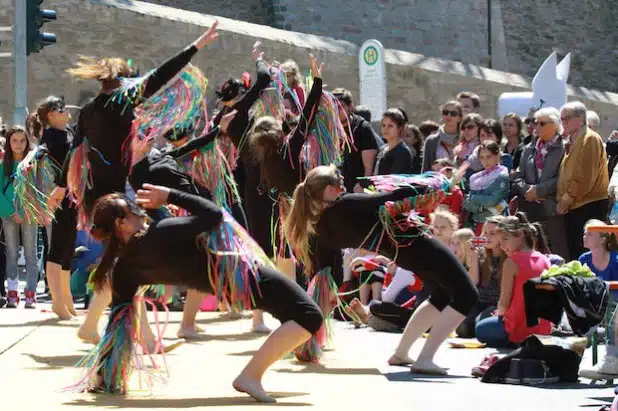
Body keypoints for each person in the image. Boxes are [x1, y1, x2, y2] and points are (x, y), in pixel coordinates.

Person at [45, 23, 221, 327]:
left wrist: (61, 187)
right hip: (120, 199)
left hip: (99, 200)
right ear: (125, 81)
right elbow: (161, 75)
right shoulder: (124, 100)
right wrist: (195, 46)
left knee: (123, 261)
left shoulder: (88, 110)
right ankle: (112, 329)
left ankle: (103, 328)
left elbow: (76, 150)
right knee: (130, 261)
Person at [81, 184, 323, 403]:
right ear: (121, 224)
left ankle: (293, 355)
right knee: (309, 315)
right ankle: (250, 376)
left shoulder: (124, 267)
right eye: (134, 212)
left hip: (231, 289)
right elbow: (214, 215)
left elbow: (117, 324)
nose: (141, 214)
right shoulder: (161, 233)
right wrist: (170, 195)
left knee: (293, 315)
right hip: (249, 277)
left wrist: (105, 374)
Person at [284, 165, 478, 374]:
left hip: (403, 254)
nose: (343, 186)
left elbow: (326, 266)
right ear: (329, 190)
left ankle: (402, 353)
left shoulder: (322, 225)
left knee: (440, 296)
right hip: (417, 246)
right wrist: (438, 185)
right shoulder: (345, 205)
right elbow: (391, 196)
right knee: (466, 295)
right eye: (339, 183)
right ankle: (425, 358)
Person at [557, 101, 609, 260]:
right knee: (575, 253)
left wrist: (566, 199)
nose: (563, 122)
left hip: (587, 205)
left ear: (580, 118)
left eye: (567, 118)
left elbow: (584, 176)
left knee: (585, 254)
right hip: (575, 205)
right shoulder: (575, 140)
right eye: (561, 119)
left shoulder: (590, 139)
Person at [0, 126, 39, 308]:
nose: (18, 144)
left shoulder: (33, 164)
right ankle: (12, 292)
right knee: (12, 253)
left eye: (22, 140)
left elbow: (36, 190)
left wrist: (23, 212)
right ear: (8, 142)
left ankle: (31, 292)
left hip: (29, 214)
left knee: (31, 253)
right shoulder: (3, 164)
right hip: (8, 215)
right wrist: (10, 211)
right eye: (14, 140)